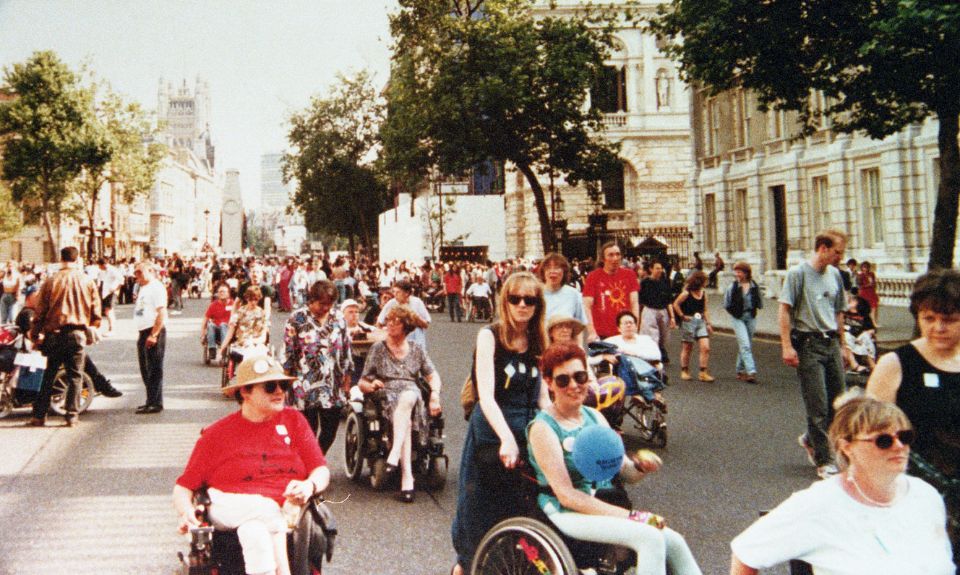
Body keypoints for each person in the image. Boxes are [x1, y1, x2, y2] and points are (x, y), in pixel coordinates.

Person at [729, 395, 955, 575]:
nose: (898, 447)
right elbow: (746, 552)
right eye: (883, 440)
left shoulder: (925, 496)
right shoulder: (817, 505)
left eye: (904, 437)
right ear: (847, 447)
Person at [528, 342, 702, 575]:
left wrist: (641, 467)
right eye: (563, 380)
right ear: (549, 382)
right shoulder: (543, 428)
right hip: (564, 512)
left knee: (674, 541)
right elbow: (566, 496)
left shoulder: (595, 417)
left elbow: (624, 472)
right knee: (649, 537)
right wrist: (632, 517)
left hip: (603, 502)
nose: (574, 385)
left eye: (579, 377)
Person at [173, 355, 330, 575]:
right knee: (266, 510)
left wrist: (310, 486)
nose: (279, 392)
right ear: (245, 392)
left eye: (283, 385)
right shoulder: (217, 434)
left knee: (254, 530)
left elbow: (320, 469)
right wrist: (186, 512)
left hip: (287, 513)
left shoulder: (294, 421)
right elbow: (184, 487)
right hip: (231, 507)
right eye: (269, 386)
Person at [451, 271, 551, 575]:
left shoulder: (538, 341)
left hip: (528, 429)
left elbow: (543, 398)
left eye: (529, 300)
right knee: (480, 514)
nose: (522, 305)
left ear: (537, 305)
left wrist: (559, 428)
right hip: (493, 431)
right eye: (515, 298)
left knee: (525, 508)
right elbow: (487, 396)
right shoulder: (489, 336)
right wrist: (506, 438)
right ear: (505, 300)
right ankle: (463, 568)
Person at [867, 268, 960, 565]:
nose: (938, 328)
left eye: (949, 320)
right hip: (915, 491)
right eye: (928, 319)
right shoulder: (895, 364)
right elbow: (869, 438)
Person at [779, 229, 848, 479]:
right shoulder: (798, 274)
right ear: (822, 248)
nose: (840, 257)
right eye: (837, 252)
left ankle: (811, 438)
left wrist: (844, 345)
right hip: (808, 344)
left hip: (831, 343)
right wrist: (786, 346)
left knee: (838, 404)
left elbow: (839, 311)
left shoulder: (836, 276)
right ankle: (824, 460)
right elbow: (784, 310)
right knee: (817, 405)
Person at [358, 305, 441, 503]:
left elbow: (432, 375)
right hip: (386, 396)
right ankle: (407, 479)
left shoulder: (416, 349)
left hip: (410, 393)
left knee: (409, 396)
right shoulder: (378, 349)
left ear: (406, 326)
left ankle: (395, 455)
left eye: (395, 321)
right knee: (406, 415)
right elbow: (362, 382)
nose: (390, 324)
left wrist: (435, 394)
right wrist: (372, 384)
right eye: (388, 320)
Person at [28, 247, 101, 427]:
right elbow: (96, 312)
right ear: (77, 260)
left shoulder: (51, 281)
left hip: (55, 334)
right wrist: (91, 328)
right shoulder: (88, 281)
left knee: (49, 375)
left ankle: (39, 415)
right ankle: (71, 414)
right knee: (75, 376)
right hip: (77, 334)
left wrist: (35, 334)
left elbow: (40, 311)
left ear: (61, 259)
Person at [282, 280, 353, 454]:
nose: (326, 308)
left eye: (330, 304)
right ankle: (309, 464)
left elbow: (345, 350)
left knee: (330, 431)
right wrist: (285, 383)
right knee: (308, 431)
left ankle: (316, 460)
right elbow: (288, 354)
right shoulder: (296, 319)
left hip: (332, 385)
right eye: (322, 304)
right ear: (311, 300)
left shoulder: (338, 319)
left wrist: (347, 381)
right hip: (305, 385)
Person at [582, 242, 640, 342]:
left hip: (624, 332)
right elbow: (586, 306)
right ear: (602, 258)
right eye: (611, 255)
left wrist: (635, 328)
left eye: (618, 254)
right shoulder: (593, 277)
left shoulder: (629, 275)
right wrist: (591, 331)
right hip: (601, 334)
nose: (615, 258)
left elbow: (634, 304)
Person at [133, 261, 168, 414]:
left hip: (153, 331)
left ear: (150, 271)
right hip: (143, 330)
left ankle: (155, 403)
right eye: (135, 273)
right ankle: (150, 400)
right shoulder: (144, 287)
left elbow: (161, 312)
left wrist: (154, 334)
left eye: (140, 272)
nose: (137, 276)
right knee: (145, 368)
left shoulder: (156, 287)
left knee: (154, 368)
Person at [723, 261, 763, 383]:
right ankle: (751, 372)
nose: (737, 274)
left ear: (746, 273)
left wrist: (757, 309)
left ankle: (739, 369)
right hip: (738, 317)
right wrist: (734, 313)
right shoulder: (733, 287)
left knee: (746, 344)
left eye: (739, 272)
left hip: (750, 316)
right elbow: (726, 304)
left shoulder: (754, 286)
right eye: (736, 272)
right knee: (745, 344)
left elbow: (759, 300)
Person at [673, 270, 715, 382]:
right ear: (699, 281)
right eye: (705, 280)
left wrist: (708, 323)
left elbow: (705, 309)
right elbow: (676, 304)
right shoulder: (686, 293)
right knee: (687, 347)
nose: (707, 282)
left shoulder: (704, 293)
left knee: (705, 347)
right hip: (689, 322)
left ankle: (703, 372)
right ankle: (684, 371)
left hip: (700, 321)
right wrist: (682, 316)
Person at [639, 260, 676, 363]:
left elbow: (669, 301)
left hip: (662, 310)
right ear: (651, 269)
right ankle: (654, 355)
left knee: (663, 335)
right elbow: (640, 301)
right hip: (650, 310)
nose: (660, 270)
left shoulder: (665, 282)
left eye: (661, 268)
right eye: (657, 268)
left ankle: (661, 349)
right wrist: (638, 317)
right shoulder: (645, 283)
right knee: (652, 334)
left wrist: (672, 317)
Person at [376, 280, 431, 349]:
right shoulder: (391, 303)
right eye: (394, 292)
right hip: (397, 343)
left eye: (398, 292)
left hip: (416, 341)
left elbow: (426, 325)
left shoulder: (417, 302)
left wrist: (414, 317)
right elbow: (379, 323)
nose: (395, 295)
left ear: (407, 293)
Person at [220, 285, 269, 360]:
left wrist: (253, 341)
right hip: (241, 344)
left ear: (259, 299)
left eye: (255, 299)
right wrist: (221, 349)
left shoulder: (262, 314)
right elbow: (230, 333)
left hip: (257, 343)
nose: (253, 302)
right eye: (250, 299)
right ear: (246, 298)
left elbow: (263, 336)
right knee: (248, 352)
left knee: (261, 355)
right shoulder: (240, 313)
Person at [539, 252, 586, 325]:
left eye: (557, 268)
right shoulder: (536, 293)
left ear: (564, 271)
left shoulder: (574, 295)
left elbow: (582, 324)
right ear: (543, 272)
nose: (553, 271)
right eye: (548, 268)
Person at [842, 293, 877, 372]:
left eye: (853, 300)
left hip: (859, 340)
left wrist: (863, 336)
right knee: (846, 335)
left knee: (865, 337)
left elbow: (871, 329)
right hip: (847, 340)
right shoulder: (844, 314)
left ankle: (872, 364)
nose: (850, 301)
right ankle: (854, 365)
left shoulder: (863, 316)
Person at [201, 283, 234, 363]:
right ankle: (212, 349)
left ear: (228, 293)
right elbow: (205, 319)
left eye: (224, 291)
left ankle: (223, 349)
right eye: (220, 292)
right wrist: (202, 334)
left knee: (223, 325)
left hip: (229, 329)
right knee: (211, 325)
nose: (222, 293)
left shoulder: (233, 304)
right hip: (216, 330)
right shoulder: (213, 305)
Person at [858, 260, 880, 327]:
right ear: (861, 268)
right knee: (865, 308)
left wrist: (873, 286)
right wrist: (868, 285)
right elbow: (860, 286)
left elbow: (874, 283)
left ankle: (874, 322)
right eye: (864, 267)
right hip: (864, 293)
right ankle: (866, 322)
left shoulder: (872, 274)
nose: (865, 269)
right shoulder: (860, 275)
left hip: (872, 292)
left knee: (874, 307)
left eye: (866, 267)